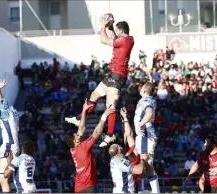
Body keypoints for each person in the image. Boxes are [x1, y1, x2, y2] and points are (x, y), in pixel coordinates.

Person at [65, 14, 134, 148]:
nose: (116, 33)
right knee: (94, 96)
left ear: (122, 32)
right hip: (112, 74)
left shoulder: (125, 41)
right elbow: (113, 36)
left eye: (117, 31)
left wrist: (102, 27)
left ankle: (110, 134)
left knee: (110, 106)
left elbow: (104, 40)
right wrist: (110, 26)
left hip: (118, 76)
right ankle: (80, 118)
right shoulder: (126, 40)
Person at [65, 99, 115, 193]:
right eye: (77, 136)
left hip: (79, 186)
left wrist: (84, 111)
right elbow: (96, 132)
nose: (79, 135)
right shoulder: (83, 147)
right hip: (87, 187)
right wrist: (104, 115)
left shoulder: (73, 148)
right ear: (75, 141)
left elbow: (81, 128)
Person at [119, 107, 160, 193]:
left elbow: (128, 134)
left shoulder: (131, 152)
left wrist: (125, 119)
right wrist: (143, 160)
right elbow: (140, 170)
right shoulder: (128, 159)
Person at [133, 82, 160, 193]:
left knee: (145, 162)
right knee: (146, 164)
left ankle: (133, 188)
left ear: (144, 89)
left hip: (145, 133)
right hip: (144, 134)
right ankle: (154, 190)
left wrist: (140, 124)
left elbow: (149, 113)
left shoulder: (146, 101)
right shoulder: (147, 100)